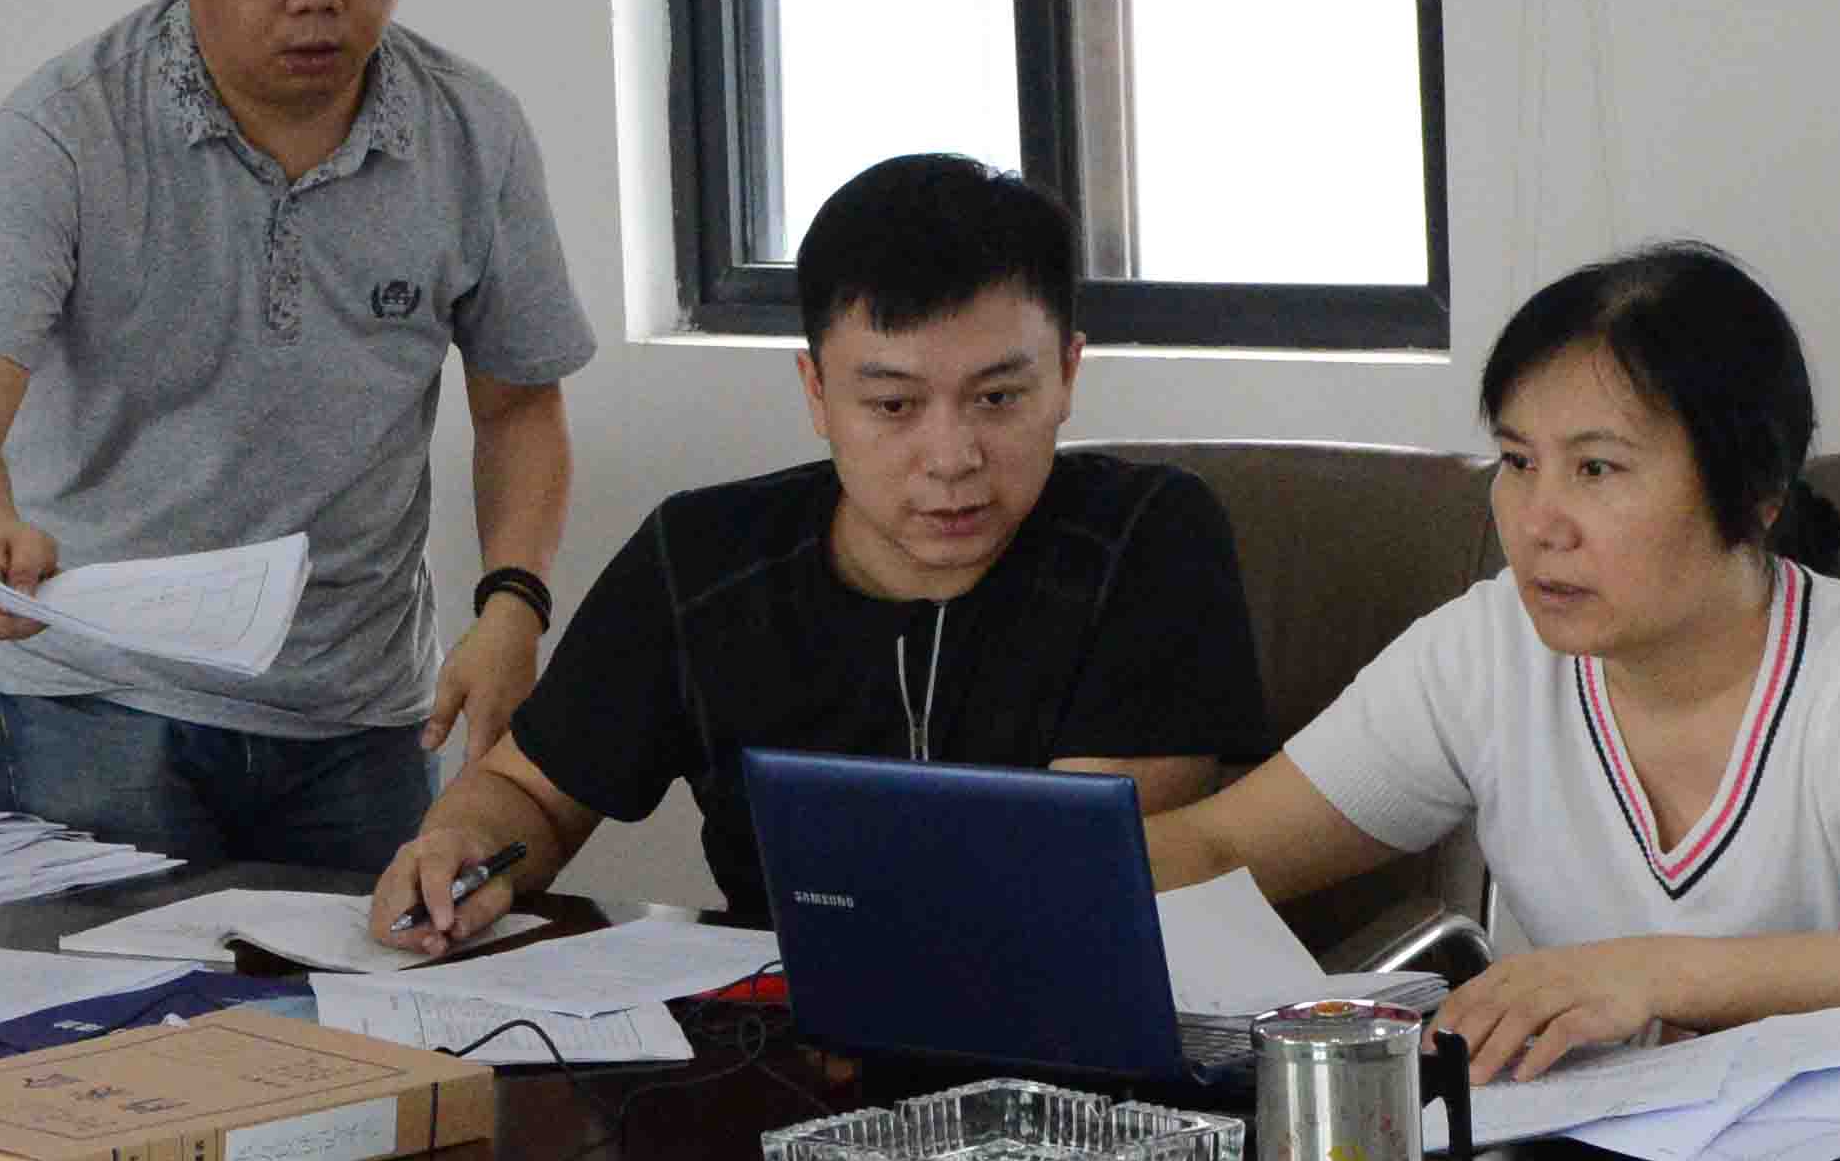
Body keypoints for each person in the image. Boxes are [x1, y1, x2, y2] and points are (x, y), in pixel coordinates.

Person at [0, 0, 594, 869]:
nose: (317, 0)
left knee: (372, 989)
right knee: (120, 992)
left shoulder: (473, 133)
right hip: (104, 697)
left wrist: (513, 605)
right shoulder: (65, 132)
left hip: (360, 706)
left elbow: (521, 405)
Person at [1146, 243, 1840, 1080]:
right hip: (1615, 1158)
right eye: (1517, 461)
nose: (1538, 522)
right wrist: (1066, 873)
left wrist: (1641, 975)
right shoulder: (1487, 650)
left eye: (1596, 469)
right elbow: (1218, 846)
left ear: (1755, 492)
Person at [368, 153, 1266, 948]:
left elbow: (1082, 878)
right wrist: (461, 846)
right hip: (780, 1042)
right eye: (893, 405)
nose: (951, 458)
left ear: (1067, 374)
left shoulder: (1145, 539)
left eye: (997, 398)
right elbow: (530, 793)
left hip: (1059, 1042)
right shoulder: (703, 560)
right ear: (816, 391)